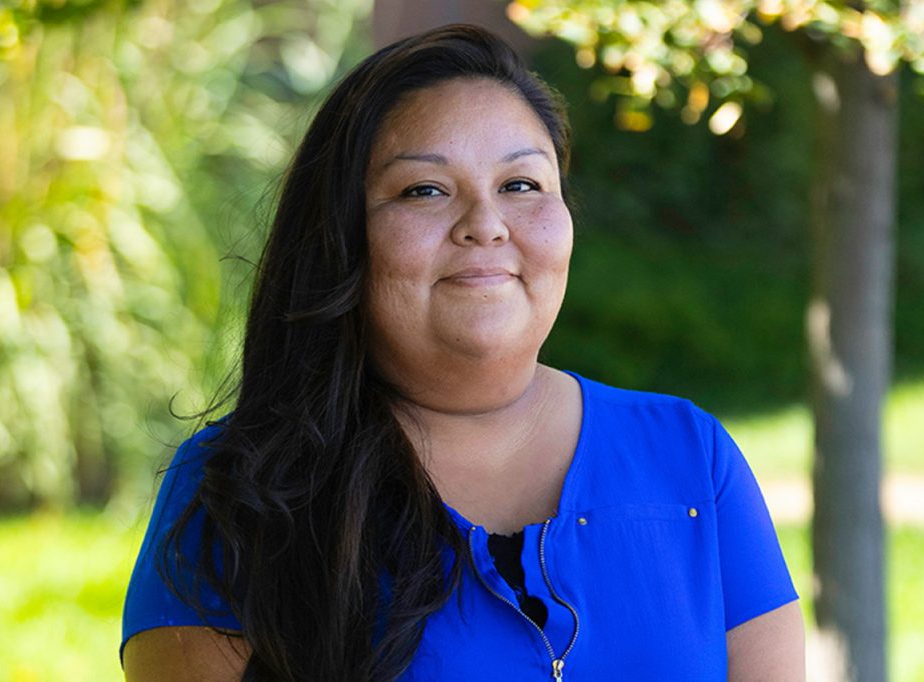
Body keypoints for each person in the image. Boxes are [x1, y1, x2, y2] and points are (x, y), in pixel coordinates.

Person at [121, 24, 804, 682]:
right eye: (425, 190)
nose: (485, 224)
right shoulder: (242, 488)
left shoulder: (692, 460)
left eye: (521, 185)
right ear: (342, 238)